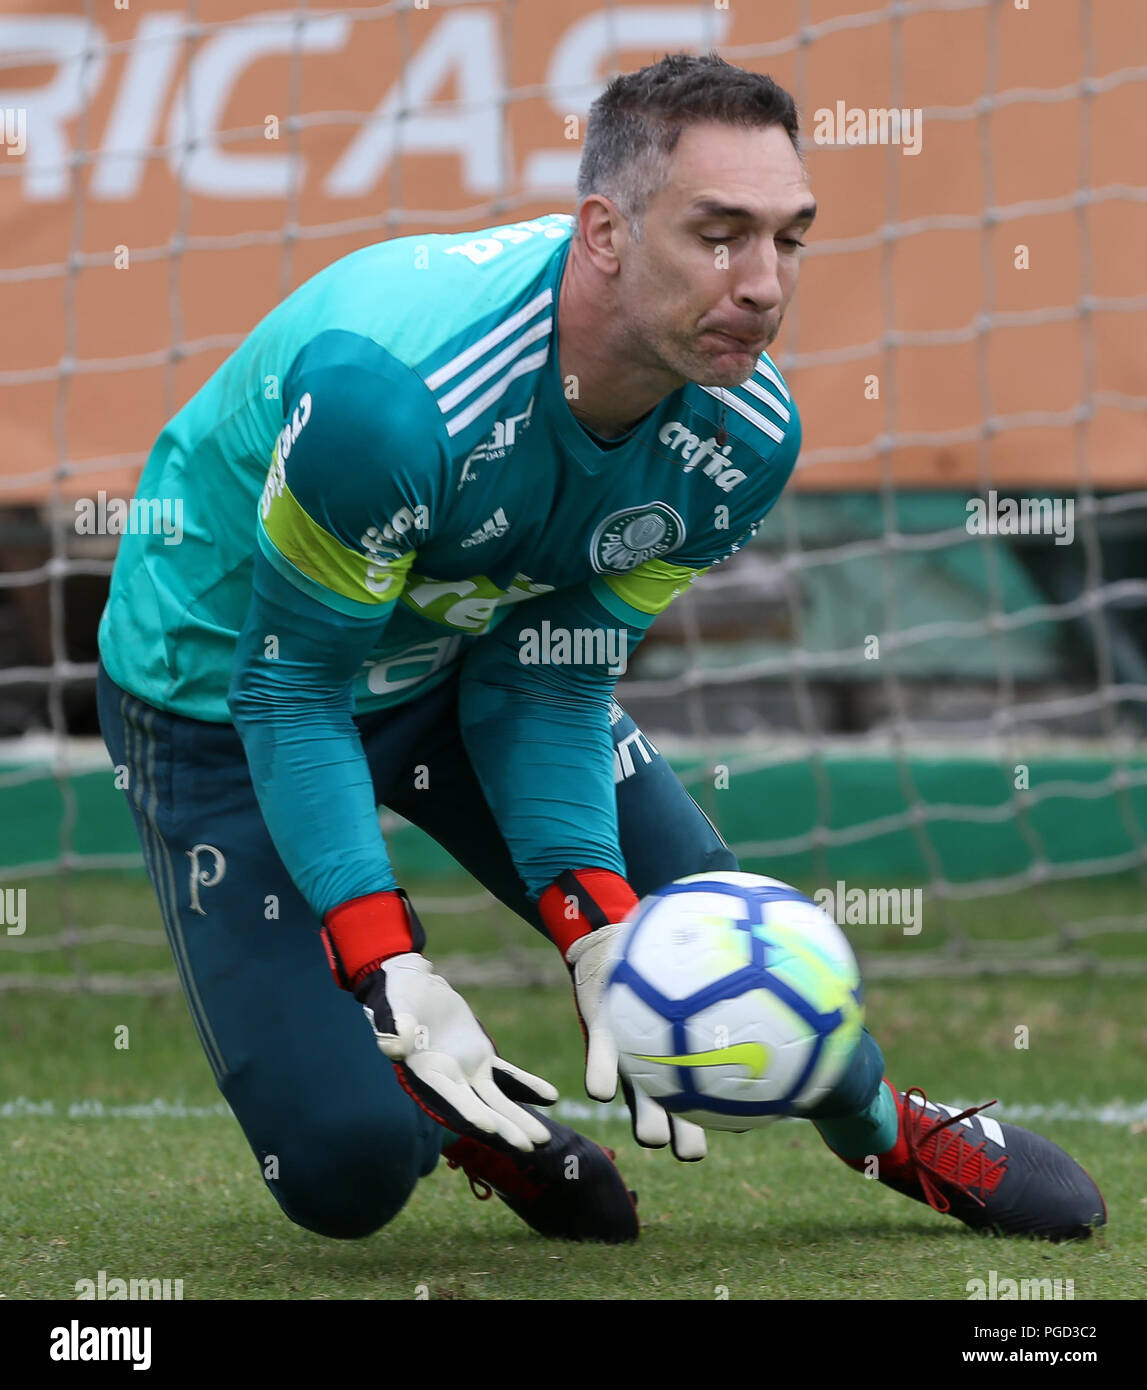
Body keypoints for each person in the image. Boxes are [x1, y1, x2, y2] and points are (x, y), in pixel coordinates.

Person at [97, 52, 1104, 1244]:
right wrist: (389, 962)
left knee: (716, 935)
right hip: (227, 692)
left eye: (787, 238)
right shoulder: (394, 401)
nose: (762, 285)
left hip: (460, 664)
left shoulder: (744, 433)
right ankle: (463, 1113)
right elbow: (293, 685)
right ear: (605, 233)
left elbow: (549, 675)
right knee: (340, 1169)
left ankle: (887, 1125)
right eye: (719, 233)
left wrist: (599, 922)